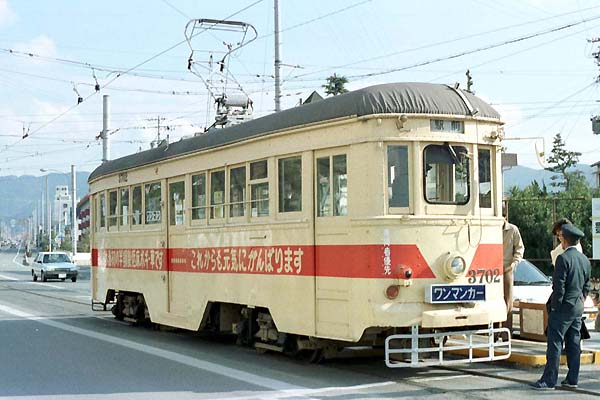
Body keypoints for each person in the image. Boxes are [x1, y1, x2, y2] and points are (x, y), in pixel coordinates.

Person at [533, 224, 591, 390]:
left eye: (560, 238)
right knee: (573, 343)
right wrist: (581, 300)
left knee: (555, 343)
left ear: (564, 240)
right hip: (578, 307)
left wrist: (555, 307)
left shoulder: (563, 259)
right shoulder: (584, 260)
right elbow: (586, 285)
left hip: (563, 308)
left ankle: (549, 380)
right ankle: (573, 379)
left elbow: (559, 286)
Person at [502, 217, 524, 334]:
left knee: (508, 302)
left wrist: (513, 264)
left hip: (506, 269)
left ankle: (506, 333)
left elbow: (520, 248)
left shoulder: (512, 229)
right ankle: (494, 332)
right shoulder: (490, 228)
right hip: (490, 271)